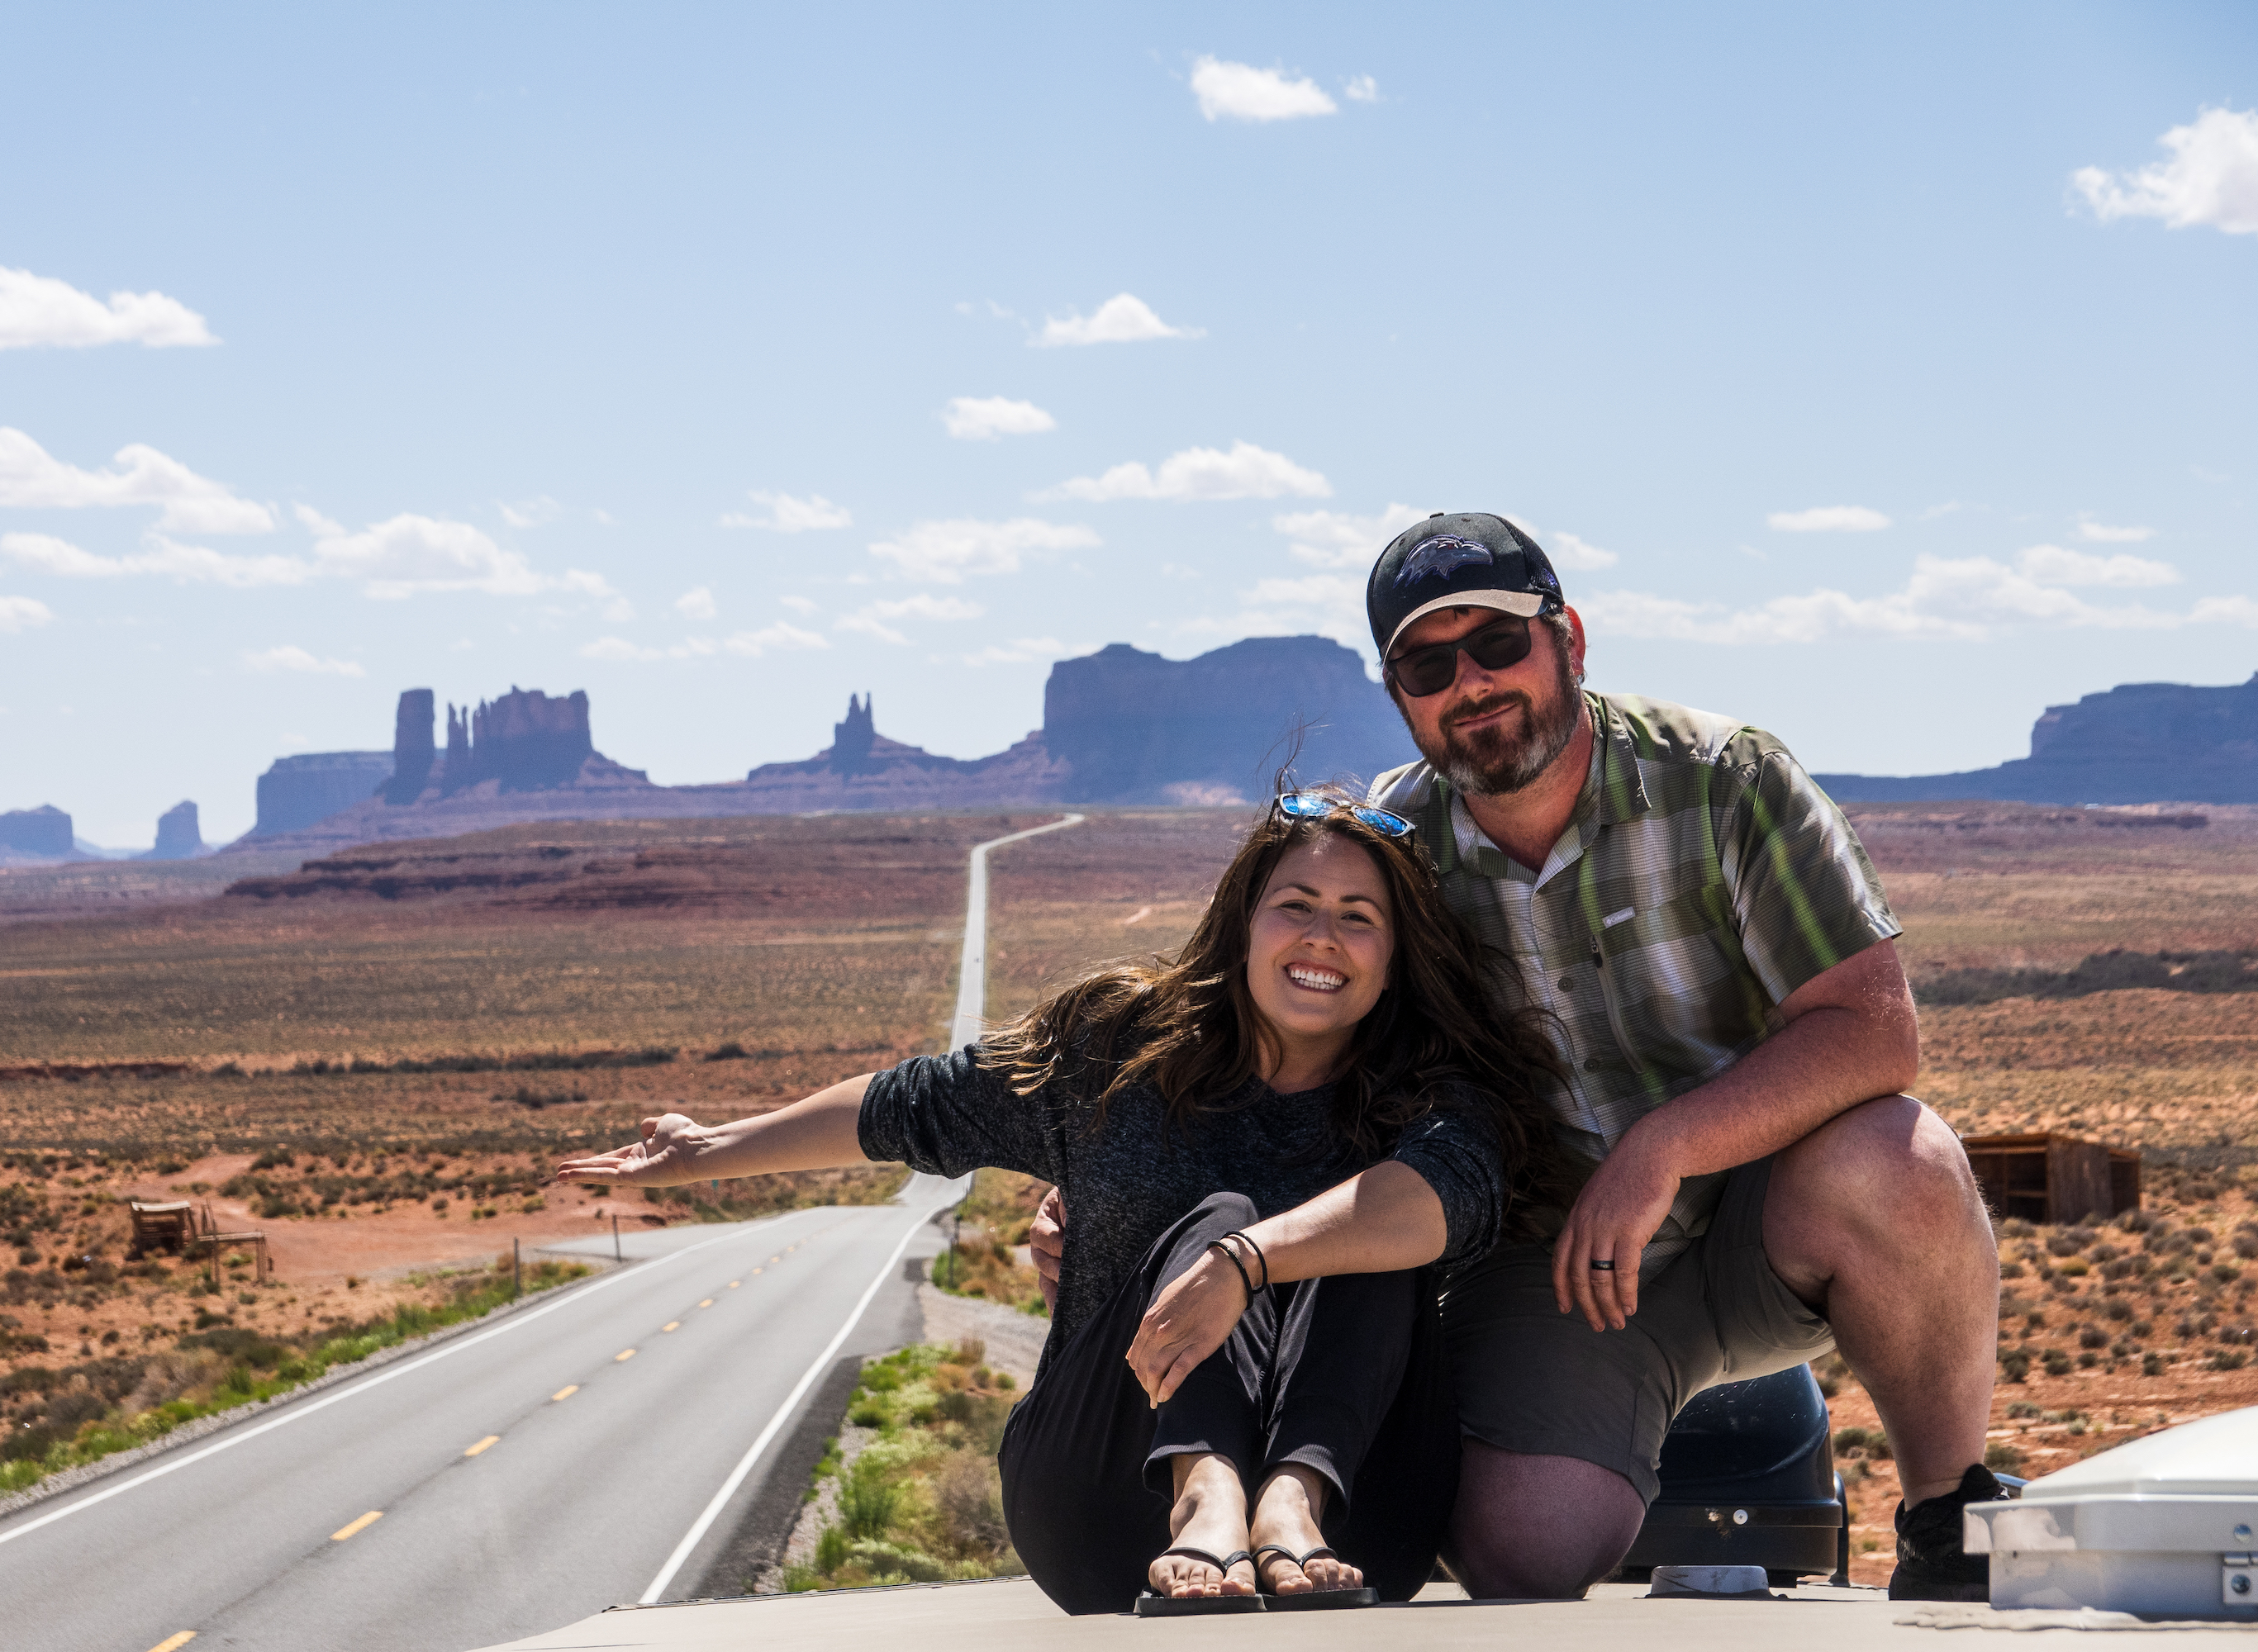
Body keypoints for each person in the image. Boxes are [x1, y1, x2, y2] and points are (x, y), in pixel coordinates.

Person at [1034, 512, 2008, 1602]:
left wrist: (1667, 1146)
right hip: (1558, 1270)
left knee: (1901, 1155)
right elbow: (1271, 1042)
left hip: (1761, 1227)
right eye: (1429, 663)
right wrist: (1117, 1204)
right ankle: (1614, 1475)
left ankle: (1945, 1512)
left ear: (1570, 641)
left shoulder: (1728, 784)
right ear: (1399, 693)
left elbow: (1873, 1028)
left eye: (1499, 644)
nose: (1473, 683)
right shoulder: (1394, 857)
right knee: (1524, 1555)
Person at [554, 790, 1569, 1615]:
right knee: (1217, 1216)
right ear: (1243, 920)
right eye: (1295, 903)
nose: (1322, 936)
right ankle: (1206, 1492)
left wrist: (1250, 1261)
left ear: (1394, 961)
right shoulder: (1119, 1049)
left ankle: (1290, 1499)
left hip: (1356, 1525)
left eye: (1359, 917)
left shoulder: (1440, 1097)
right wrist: (719, 1146)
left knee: (1347, 1229)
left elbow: (1438, 1198)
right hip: (1102, 1508)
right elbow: (918, 1105)